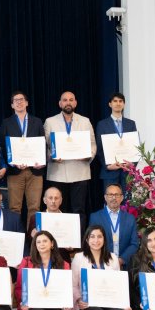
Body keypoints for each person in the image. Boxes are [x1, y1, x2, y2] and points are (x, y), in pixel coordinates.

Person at [44, 91, 96, 233]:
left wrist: (88, 156)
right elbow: (45, 146)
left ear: (75, 103)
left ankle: (79, 242)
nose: (68, 102)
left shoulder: (85, 121)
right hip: (57, 172)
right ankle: (58, 241)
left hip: (79, 172)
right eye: (65, 100)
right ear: (60, 103)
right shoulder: (50, 121)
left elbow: (92, 144)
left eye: (71, 100)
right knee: (59, 209)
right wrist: (51, 156)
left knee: (79, 210)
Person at [0, 91, 45, 222]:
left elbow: (42, 143)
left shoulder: (37, 121)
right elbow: (3, 146)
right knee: (14, 208)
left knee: (34, 207)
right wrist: (12, 162)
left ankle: (33, 235)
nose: (19, 102)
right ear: (12, 105)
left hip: (35, 171)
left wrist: (42, 161)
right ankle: (16, 234)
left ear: (27, 103)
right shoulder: (6, 123)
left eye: (21, 99)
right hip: (15, 171)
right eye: (16, 100)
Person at [95, 92, 138, 193]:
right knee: (111, 200)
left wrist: (132, 164)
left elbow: (135, 146)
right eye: (115, 101)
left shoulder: (131, 124)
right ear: (110, 104)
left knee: (127, 200)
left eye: (120, 101)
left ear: (124, 104)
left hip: (127, 172)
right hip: (110, 172)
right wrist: (107, 166)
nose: (118, 103)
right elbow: (99, 148)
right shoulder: (102, 124)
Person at [88, 184, 139, 268]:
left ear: (122, 198)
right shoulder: (95, 217)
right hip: (101, 264)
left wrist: (121, 260)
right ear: (105, 197)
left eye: (117, 195)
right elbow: (91, 241)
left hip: (124, 266)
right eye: (110, 195)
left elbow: (134, 244)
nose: (114, 198)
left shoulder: (130, 219)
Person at [26, 186, 73, 264]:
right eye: (50, 198)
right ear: (44, 200)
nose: (53, 201)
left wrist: (72, 248)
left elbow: (74, 244)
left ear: (61, 200)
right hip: (41, 261)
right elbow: (29, 243)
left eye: (56, 198)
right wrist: (32, 236)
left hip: (62, 261)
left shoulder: (69, 219)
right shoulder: (36, 218)